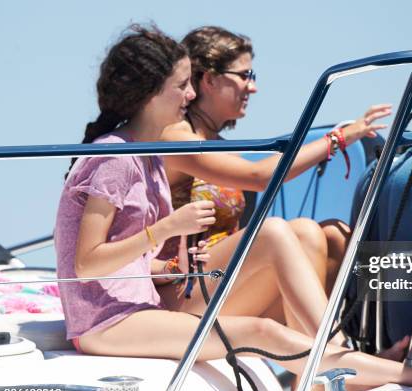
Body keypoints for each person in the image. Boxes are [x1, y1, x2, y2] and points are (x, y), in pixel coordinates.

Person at [53, 24, 412, 391]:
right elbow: (86, 263)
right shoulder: (116, 157)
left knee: (316, 237)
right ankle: (408, 374)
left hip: (147, 299)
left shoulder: (143, 154)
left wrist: (168, 265)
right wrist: (167, 229)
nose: (189, 94)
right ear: (149, 92)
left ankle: (346, 368)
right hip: (107, 322)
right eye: (181, 85)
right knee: (268, 305)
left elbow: (127, 261)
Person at [158, 26, 389, 342]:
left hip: (220, 283)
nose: (252, 87)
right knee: (287, 231)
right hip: (186, 293)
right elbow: (261, 176)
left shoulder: (216, 143)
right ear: (209, 79)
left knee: (330, 234)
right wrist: (337, 139)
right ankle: (333, 354)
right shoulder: (177, 138)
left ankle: (311, 377)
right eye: (244, 75)